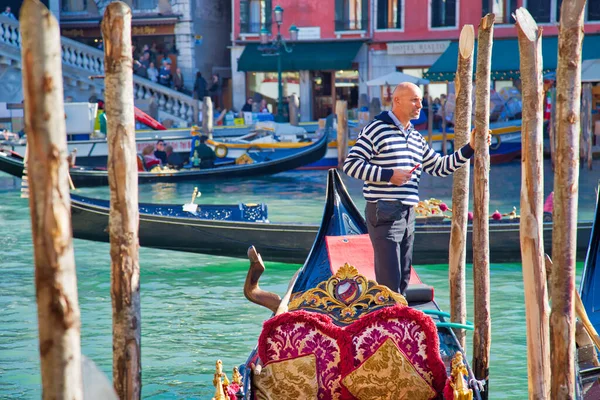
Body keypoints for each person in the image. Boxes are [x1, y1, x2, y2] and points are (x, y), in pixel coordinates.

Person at [343, 82, 491, 297]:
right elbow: (351, 165)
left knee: (403, 279)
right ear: (397, 101)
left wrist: (470, 148)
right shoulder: (377, 129)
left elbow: (440, 167)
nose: (420, 105)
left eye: (420, 100)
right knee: (389, 282)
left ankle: (399, 325)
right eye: (414, 100)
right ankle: (387, 325)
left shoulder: (415, 137)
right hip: (383, 210)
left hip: (407, 213)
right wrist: (389, 175)